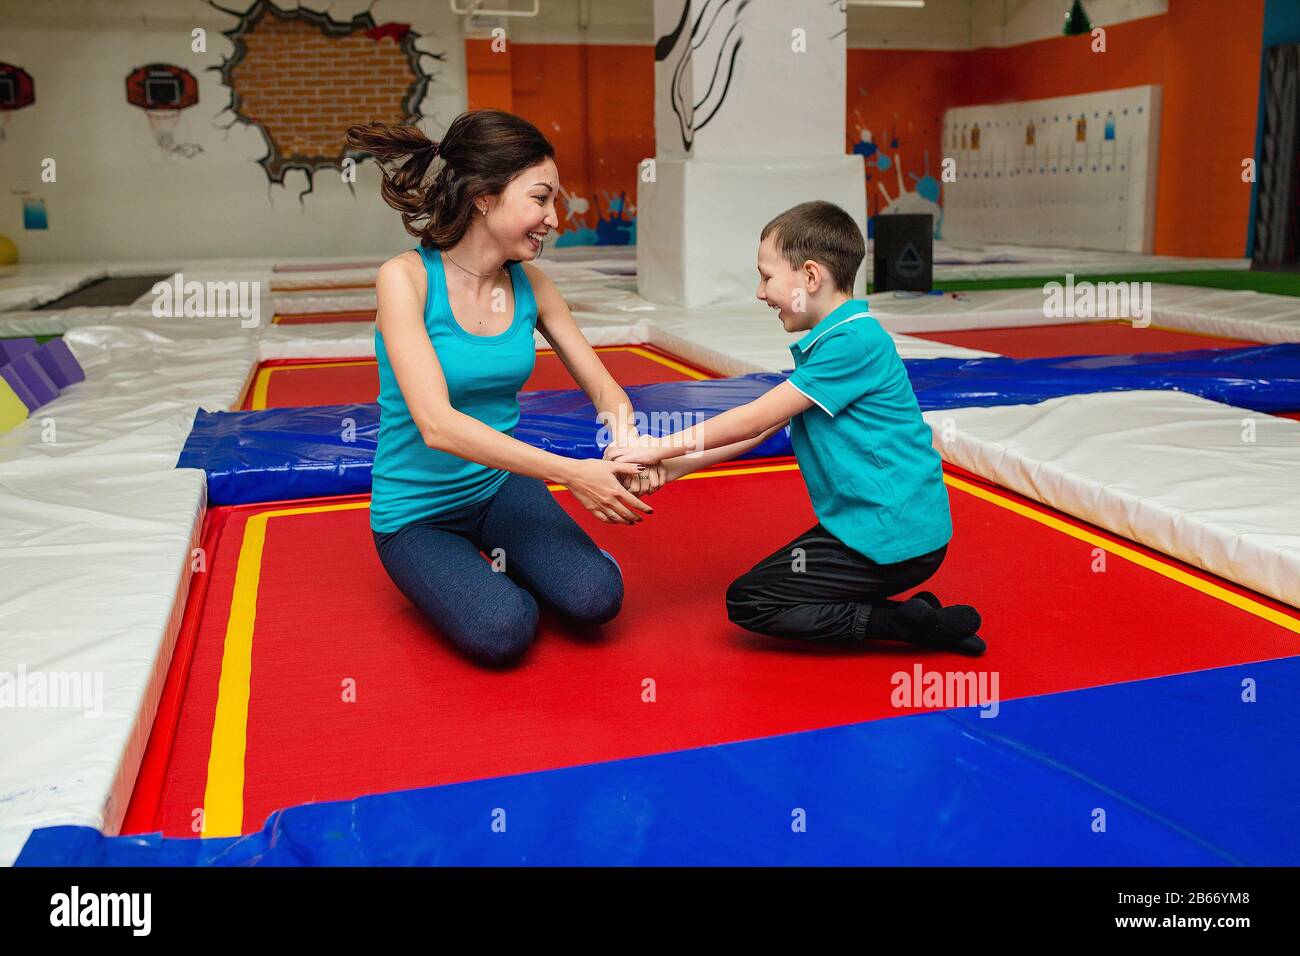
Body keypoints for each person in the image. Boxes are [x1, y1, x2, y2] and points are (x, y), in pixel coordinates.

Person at [347, 109, 664, 667]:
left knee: (597, 599)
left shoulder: (532, 284)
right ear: (484, 197)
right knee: (503, 631)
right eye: (541, 199)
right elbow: (435, 423)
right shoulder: (407, 279)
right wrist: (571, 474)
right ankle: (479, 574)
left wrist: (624, 438)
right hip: (416, 515)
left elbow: (605, 388)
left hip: (500, 490)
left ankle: (530, 559)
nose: (553, 218)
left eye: (555, 202)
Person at [606, 200, 985, 655]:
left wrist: (655, 448)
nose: (760, 292)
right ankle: (915, 615)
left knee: (751, 601)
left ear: (809, 277)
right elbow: (759, 432)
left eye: (766, 276)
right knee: (771, 589)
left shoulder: (855, 342)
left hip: (891, 535)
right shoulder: (836, 341)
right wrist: (674, 469)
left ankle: (899, 623)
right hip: (876, 529)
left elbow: (754, 417)